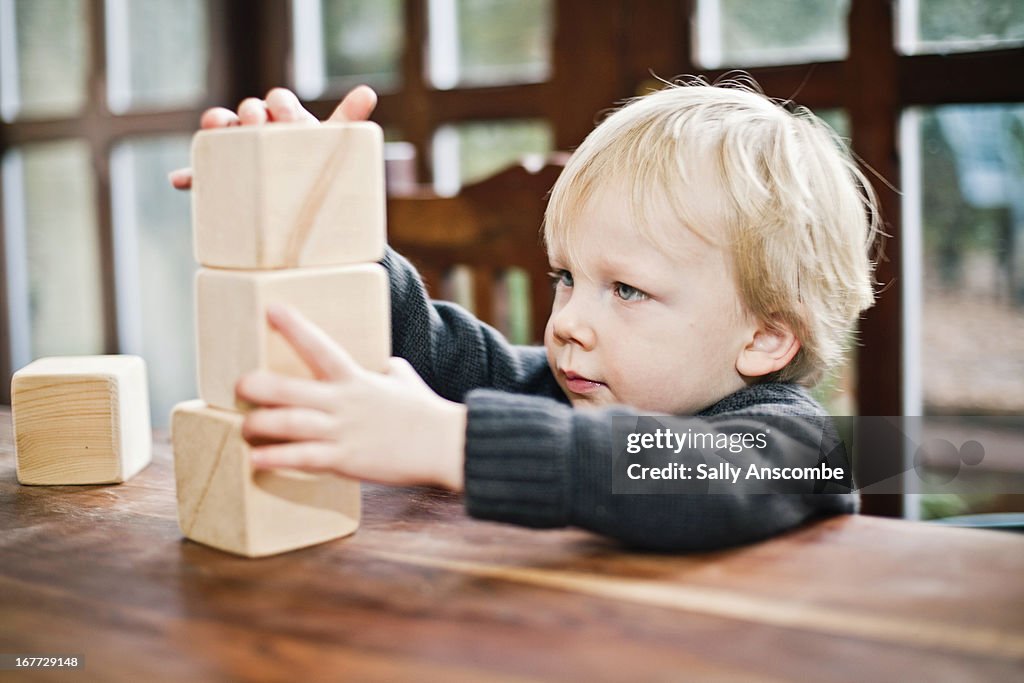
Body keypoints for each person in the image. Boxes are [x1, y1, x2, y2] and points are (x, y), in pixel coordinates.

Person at [171, 80, 879, 551]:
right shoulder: (568, 388)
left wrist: (452, 440)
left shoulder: (798, 446)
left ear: (765, 336)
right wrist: (320, 234)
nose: (568, 320)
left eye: (626, 290)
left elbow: (678, 473)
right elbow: (446, 355)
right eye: (566, 278)